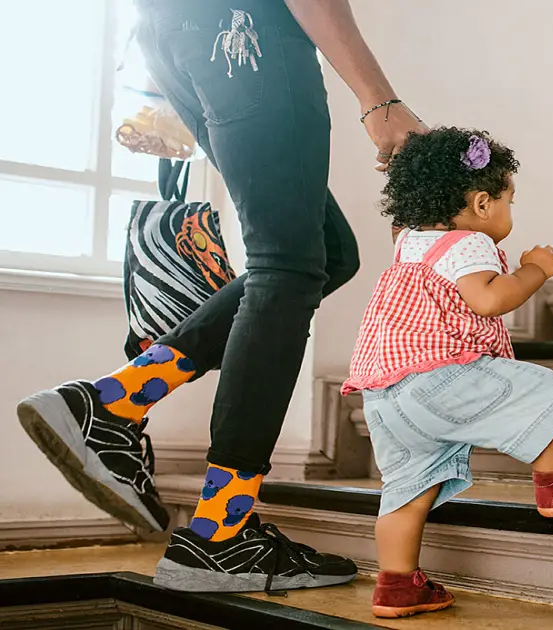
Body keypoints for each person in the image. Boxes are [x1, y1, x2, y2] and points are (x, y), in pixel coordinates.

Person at [16, 0, 424, 592]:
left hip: (181, 34)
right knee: (286, 267)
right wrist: (379, 100)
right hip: (246, 30)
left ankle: (116, 402)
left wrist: (167, 72)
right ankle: (220, 532)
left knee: (327, 254)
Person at [345, 127, 553, 619]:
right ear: (481, 204)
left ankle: (396, 584)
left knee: (408, 487)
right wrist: (536, 270)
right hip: (438, 377)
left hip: (385, 393)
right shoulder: (468, 243)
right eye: (508, 200)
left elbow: (411, 216)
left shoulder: (407, 241)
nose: (509, 212)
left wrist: (407, 164)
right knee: (544, 390)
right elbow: (491, 299)